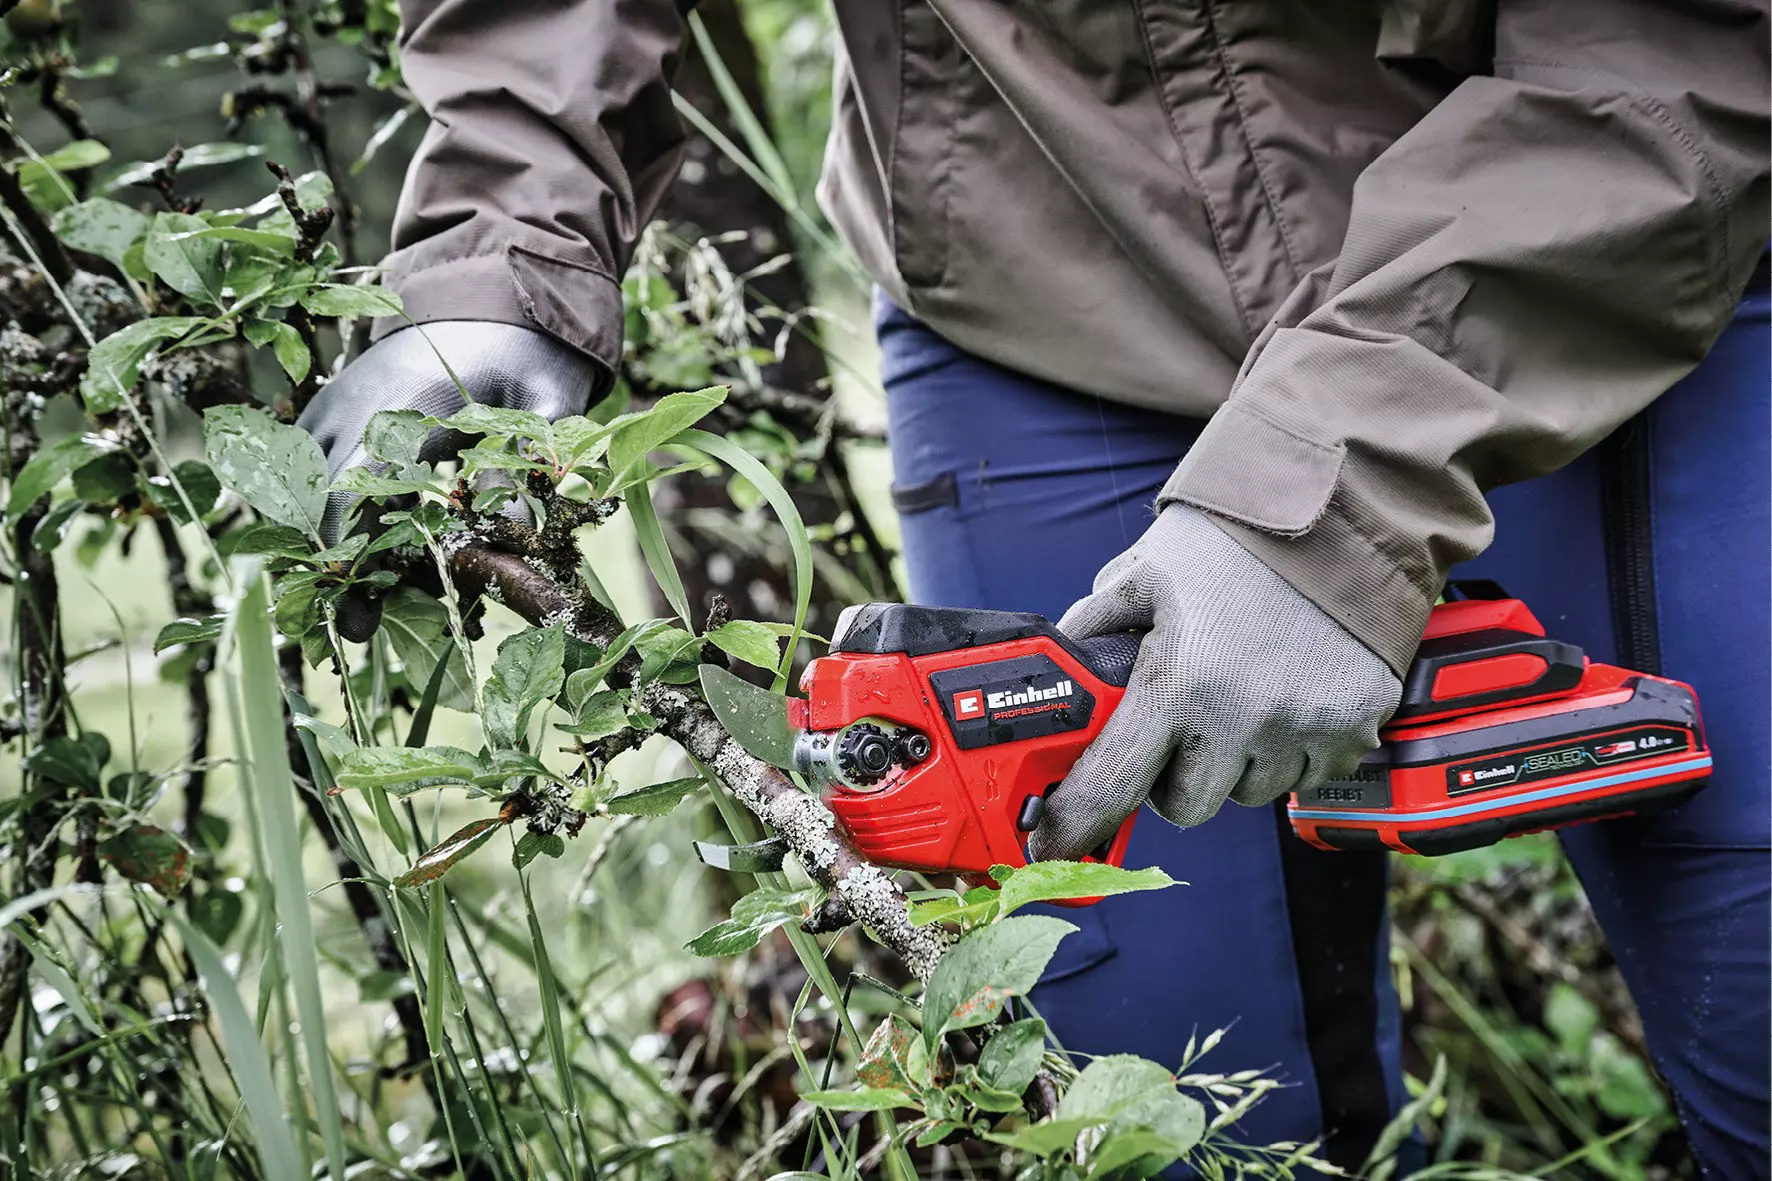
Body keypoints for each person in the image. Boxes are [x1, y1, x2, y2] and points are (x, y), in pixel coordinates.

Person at [297, 2, 1770, 1173]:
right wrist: (509, 245)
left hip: (1628, 239)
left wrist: (1332, 496)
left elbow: (1671, 49)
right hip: (1041, 277)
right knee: (1157, 1109)